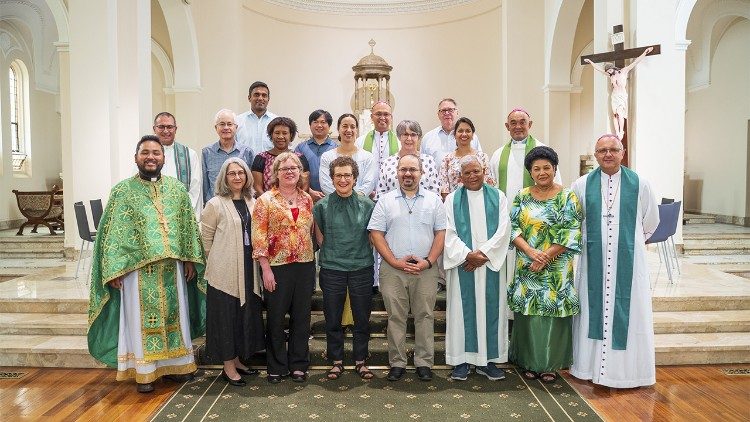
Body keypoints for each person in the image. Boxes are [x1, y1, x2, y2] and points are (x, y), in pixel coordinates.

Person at [87, 135, 205, 394]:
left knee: (176, 316)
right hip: (135, 271)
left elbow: (187, 227)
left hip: (172, 268)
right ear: (136, 157)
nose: (151, 157)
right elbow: (112, 234)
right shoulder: (122, 191)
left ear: (164, 158)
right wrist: (113, 270)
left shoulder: (176, 189)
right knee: (141, 321)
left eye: (156, 153)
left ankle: (178, 366)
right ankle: (145, 372)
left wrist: (188, 259)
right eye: (145, 153)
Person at [570, 134, 659, 388]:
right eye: (602, 150)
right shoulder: (581, 184)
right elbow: (574, 221)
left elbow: (650, 222)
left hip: (629, 264)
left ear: (623, 152)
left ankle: (628, 373)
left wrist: (630, 244)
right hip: (592, 261)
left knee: (630, 312)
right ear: (595, 155)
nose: (607, 154)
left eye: (613, 149)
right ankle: (588, 368)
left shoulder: (640, 183)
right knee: (591, 309)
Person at [507, 146, 583, 384]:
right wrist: (531, 252)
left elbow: (571, 229)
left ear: (555, 169)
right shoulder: (522, 196)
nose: (542, 172)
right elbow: (513, 228)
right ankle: (529, 362)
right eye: (536, 168)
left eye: (546, 168)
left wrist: (546, 256)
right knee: (529, 315)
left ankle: (550, 364)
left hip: (556, 268)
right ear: (531, 172)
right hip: (527, 264)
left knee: (553, 314)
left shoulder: (567, 196)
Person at [368, 154, 446, 382]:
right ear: (397, 173)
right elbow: (376, 233)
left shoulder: (434, 200)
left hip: (425, 269)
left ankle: (424, 362)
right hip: (393, 270)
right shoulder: (385, 200)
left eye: (413, 169)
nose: (408, 174)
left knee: (425, 315)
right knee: (396, 317)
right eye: (403, 170)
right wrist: (393, 261)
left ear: (422, 173)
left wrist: (429, 261)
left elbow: (441, 234)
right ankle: (397, 362)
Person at [489, 108, 561, 322]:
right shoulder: (497, 155)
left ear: (530, 124)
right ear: (507, 126)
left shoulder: (543, 151)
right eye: (513, 122)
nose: (518, 126)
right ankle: (509, 320)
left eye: (522, 122)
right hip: (507, 227)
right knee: (508, 273)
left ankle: (533, 322)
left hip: (538, 230)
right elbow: (493, 191)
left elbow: (557, 187)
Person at [443, 155, 511, 382]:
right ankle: (461, 360)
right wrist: (467, 255)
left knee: (491, 310)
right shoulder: (452, 199)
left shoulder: (498, 197)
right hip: (464, 265)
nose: (472, 176)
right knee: (461, 312)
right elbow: (448, 232)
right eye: (467, 173)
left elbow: (504, 230)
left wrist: (482, 255)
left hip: (488, 265)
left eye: (476, 171)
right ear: (460, 176)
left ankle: (488, 361)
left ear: (484, 171)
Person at [252, 152, 316, 384]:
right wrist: (265, 269)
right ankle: (277, 366)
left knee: (302, 317)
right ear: (275, 173)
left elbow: (309, 232)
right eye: (284, 168)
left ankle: (299, 364)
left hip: (305, 265)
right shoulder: (265, 200)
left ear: (300, 173)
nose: (289, 172)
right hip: (277, 266)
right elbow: (258, 237)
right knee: (276, 318)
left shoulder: (307, 199)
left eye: (294, 168)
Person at [201, 157, 264, 387]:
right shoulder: (215, 204)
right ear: (224, 178)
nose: (237, 177)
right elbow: (206, 240)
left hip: (249, 268)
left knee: (242, 316)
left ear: (247, 175)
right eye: (232, 174)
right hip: (223, 272)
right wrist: (218, 260)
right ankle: (228, 366)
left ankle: (237, 360)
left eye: (241, 173)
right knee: (226, 318)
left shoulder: (253, 201)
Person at [313, 156, 376, 381]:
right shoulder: (321, 206)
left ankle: (361, 361)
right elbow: (320, 239)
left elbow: (372, 238)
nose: (342, 179)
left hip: (361, 267)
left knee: (362, 317)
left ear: (355, 178)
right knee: (332, 317)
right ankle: (336, 361)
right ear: (331, 179)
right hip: (331, 267)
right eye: (338, 175)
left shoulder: (368, 205)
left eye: (347, 175)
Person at [584, 47, 654, 139]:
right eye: (607, 71)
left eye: (609, 70)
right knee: (615, 115)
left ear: (612, 68)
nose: (608, 72)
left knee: (620, 113)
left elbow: (635, 62)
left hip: (622, 95)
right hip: (614, 96)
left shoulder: (624, 71)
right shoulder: (610, 76)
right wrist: (590, 62)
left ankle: (621, 131)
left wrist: (645, 52)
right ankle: (617, 132)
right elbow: (599, 69)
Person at [151, 112, 202, 217]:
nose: (166, 131)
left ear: (175, 129)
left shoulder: (190, 155)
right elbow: (138, 183)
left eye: (169, 127)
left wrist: (184, 212)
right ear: (154, 129)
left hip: (181, 215)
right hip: (152, 216)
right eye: (161, 127)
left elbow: (195, 188)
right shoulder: (146, 155)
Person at [375, 119, 439, 200]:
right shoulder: (387, 162)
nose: (409, 138)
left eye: (413, 135)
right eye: (405, 134)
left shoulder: (429, 161)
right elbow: (381, 194)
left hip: (423, 211)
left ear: (418, 137)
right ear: (399, 137)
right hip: (393, 210)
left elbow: (435, 192)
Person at [201, 109, 255, 204]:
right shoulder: (207, 152)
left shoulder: (247, 152)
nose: (226, 127)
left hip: (241, 203)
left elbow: (251, 183)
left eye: (230, 124)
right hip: (216, 205)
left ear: (236, 127)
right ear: (216, 128)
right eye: (222, 124)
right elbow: (205, 184)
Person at [319, 114, 377, 196]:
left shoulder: (367, 157)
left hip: (360, 203)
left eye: (352, 127)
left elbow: (369, 183)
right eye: (345, 126)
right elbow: (326, 184)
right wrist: (341, 198)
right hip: (334, 203)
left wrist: (354, 199)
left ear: (356, 130)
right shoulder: (327, 156)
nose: (349, 130)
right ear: (338, 129)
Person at [251, 116, 310, 195]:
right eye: (277, 133)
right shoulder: (261, 158)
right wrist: (270, 203)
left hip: (295, 204)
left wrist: (293, 202)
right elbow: (257, 187)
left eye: (285, 133)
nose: (281, 136)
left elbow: (305, 186)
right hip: (268, 205)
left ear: (291, 135)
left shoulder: (300, 158)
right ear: (271, 135)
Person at [439, 117, 495, 199]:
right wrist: (451, 206)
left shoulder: (482, 157)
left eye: (468, 131)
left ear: (473, 135)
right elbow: (444, 189)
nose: (464, 134)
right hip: (455, 204)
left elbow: (488, 184)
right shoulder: (447, 159)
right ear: (454, 135)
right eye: (460, 131)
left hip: (479, 202)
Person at [421, 98, 483, 165]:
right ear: (438, 114)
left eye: (450, 110)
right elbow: (423, 165)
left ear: (457, 113)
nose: (447, 113)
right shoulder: (428, 138)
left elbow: (480, 162)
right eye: (443, 110)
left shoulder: (470, 137)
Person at [356, 101, 400, 193]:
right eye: (378, 114)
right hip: (365, 194)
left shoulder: (400, 142)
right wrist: (365, 191)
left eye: (386, 114)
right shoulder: (360, 141)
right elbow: (355, 169)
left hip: (392, 193)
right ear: (372, 117)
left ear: (391, 117)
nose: (382, 117)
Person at [295, 110, 337, 203]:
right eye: (315, 122)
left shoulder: (336, 148)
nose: (319, 125)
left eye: (323, 122)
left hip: (332, 198)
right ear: (310, 125)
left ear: (329, 126)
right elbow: (296, 172)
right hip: (305, 197)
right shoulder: (300, 148)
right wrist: (309, 191)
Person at [235, 81, 277, 153]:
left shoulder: (276, 121)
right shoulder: (237, 121)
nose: (260, 98)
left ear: (268, 99)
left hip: (270, 164)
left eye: (264, 95)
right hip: (244, 164)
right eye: (256, 95)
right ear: (249, 98)